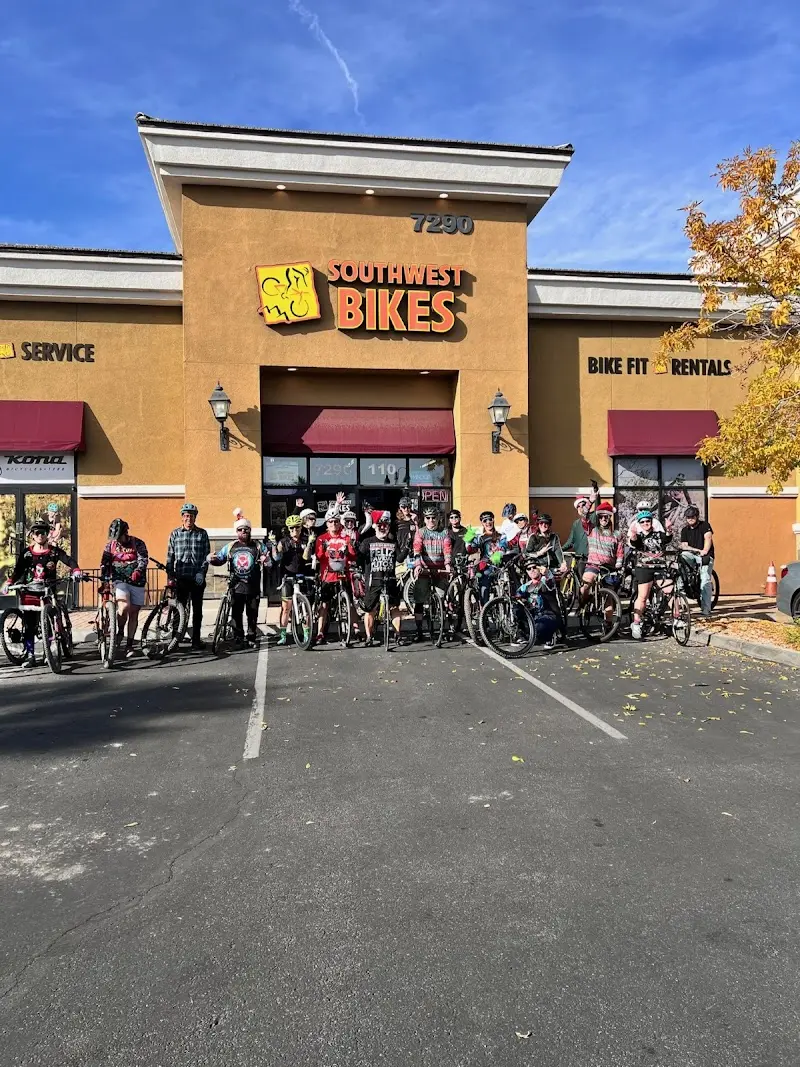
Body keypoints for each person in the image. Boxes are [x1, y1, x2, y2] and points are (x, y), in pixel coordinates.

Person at [4, 517, 82, 668]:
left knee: (49, 621)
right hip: (30, 591)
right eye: (37, 532)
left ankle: (49, 653)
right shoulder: (26, 553)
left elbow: (69, 560)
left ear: (48, 534)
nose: (40, 535)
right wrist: (9, 582)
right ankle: (31, 655)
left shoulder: (54, 552)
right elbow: (18, 570)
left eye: (44, 532)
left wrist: (76, 570)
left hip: (47, 591)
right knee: (29, 625)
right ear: (32, 535)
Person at [208, 512, 266, 647]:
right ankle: (238, 637)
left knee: (252, 614)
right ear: (236, 531)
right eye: (240, 529)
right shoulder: (230, 546)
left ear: (250, 530)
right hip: (236, 586)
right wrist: (210, 559)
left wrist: (267, 560)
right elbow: (219, 560)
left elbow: (270, 561)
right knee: (236, 614)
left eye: (246, 529)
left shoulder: (258, 546)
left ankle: (251, 637)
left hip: (253, 586)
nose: (243, 531)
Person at [100, 518, 149, 659]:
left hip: (137, 581)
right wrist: (105, 580)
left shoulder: (138, 543)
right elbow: (104, 563)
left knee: (134, 614)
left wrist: (138, 571)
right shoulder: (110, 546)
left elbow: (143, 559)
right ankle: (120, 630)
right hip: (119, 580)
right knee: (124, 606)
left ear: (125, 532)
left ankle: (129, 645)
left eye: (119, 537)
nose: (118, 541)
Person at [166, 503, 211, 651]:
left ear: (195, 517)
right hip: (181, 578)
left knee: (197, 611)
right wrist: (170, 576)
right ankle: (175, 641)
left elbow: (206, 556)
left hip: (196, 578)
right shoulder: (175, 534)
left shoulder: (202, 534)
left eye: (191, 516)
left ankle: (196, 641)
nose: (188, 518)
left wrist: (202, 572)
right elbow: (170, 557)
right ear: (182, 517)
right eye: (186, 516)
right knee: (179, 611)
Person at [358, 511, 407, 646]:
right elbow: (359, 558)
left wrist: (407, 547)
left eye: (385, 525)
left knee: (394, 607)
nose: (383, 527)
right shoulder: (367, 542)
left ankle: (398, 635)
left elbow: (399, 559)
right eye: (380, 525)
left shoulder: (392, 541)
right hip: (373, 580)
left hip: (390, 579)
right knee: (370, 609)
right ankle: (369, 637)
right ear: (375, 526)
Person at [314, 508, 357, 645]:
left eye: (336, 521)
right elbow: (319, 557)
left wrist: (348, 547)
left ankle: (356, 630)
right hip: (328, 576)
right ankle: (320, 632)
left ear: (340, 523)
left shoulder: (345, 537)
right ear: (327, 523)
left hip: (343, 575)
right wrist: (326, 550)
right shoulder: (322, 538)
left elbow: (353, 555)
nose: (333, 524)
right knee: (325, 605)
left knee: (349, 603)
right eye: (331, 522)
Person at [628, 509, 672, 640]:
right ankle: (636, 623)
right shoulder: (640, 536)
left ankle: (677, 618)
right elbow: (635, 542)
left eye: (648, 521)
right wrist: (633, 536)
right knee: (643, 596)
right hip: (644, 568)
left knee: (670, 591)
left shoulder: (659, 534)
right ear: (640, 524)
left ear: (652, 522)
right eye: (643, 522)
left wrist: (669, 530)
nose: (646, 523)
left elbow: (667, 538)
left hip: (660, 567)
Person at [411, 506, 452, 641]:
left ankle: (442, 628)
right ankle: (419, 631)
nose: (431, 520)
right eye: (428, 518)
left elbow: (447, 550)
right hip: (424, 569)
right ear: (425, 519)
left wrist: (447, 565)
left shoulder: (444, 532)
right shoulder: (421, 532)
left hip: (440, 569)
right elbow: (417, 550)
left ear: (438, 518)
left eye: (433, 517)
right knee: (419, 600)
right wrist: (418, 566)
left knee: (442, 598)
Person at [578, 502, 623, 617]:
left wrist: (619, 564)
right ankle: (584, 603)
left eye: (606, 516)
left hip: (609, 568)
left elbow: (620, 552)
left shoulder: (616, 534)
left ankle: (609, 626)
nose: (604, 519)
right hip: (593, 565)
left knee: (609, 597)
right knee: (584, 588)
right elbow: (584, 518)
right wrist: (590, 502)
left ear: (609, 518)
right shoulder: (592, 530)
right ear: (598, 518)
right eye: (601, 517)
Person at [273, 514, 310, 646]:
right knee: (286, 608)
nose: (295, 531)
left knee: (305, 606)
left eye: (297, 528)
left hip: (302, 575)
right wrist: (274, 546)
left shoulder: (306, 540)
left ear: (301, 528)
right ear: (289, 529)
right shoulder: (283, 541)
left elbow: (307, 557)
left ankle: (307, 633)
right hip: (287, 576)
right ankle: (283, 635)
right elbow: (276, 557)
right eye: (292, 528)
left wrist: (310, 543)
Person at [464, 511, 512, 605]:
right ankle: (485, 609)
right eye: (485, 520)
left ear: (493, 520)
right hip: (486, 566)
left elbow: (503, 547)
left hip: (500, 566)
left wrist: (499, 554)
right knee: (484, 585)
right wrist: (468, 539)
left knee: (510, 583)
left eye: (490, 519)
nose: (488, 522)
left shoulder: (501, 535)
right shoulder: (480, 537)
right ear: (482, 523)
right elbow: (470, 550)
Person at [680, 505, 714, 618]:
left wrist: (704, 551)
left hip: (704, 555)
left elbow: (708, 538)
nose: (690, 519)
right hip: (692, 555)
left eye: (692, 517)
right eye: (688, 517)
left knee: (705, 579)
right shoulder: (685, 530)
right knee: (682, 556)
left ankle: (706, 609)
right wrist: (695, 550)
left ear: (697, 517)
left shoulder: (705, 526)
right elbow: (684, 546)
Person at [516, 561, 561, 648]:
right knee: (517, 608)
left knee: (538, 630)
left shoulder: (545, 580)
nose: (532, 570)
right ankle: (523, 636)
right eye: (529, 569)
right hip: (534, 615)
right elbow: (516, 595)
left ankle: (552, 635)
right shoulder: (526, 586)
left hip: (548, 614)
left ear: (539, 568)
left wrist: (547, 572)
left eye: (534, 567)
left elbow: (551, 582)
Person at [563, 486, 599, 573]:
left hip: (591, 558)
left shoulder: (593, 517)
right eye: (578, 506)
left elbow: (598, 508)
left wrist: (596, 494)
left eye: (583, 505)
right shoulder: (576, 523)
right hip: (579, 558)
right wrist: (559, 549)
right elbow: (570, 541)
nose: (580, 507)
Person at [395, 497, 417, 570]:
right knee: (401, 575)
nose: (406, 509)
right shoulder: (397, 522)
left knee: (412, 575)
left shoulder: (414, 520)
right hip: (401, 552)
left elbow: (419, 535)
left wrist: (416, 522)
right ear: (400, 507)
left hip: (412, 553)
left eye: (408, 507)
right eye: (403, 507)